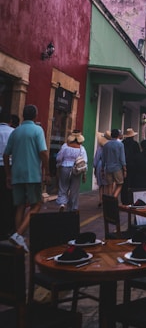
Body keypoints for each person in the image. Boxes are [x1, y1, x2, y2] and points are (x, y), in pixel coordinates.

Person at [3, 104, 50, 252]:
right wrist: (47, 171)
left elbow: (5, 155)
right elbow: (43, 152)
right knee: (36, 205)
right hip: (32, 175)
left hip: (17, 174)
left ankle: (18, 241)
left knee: (20, 206)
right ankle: (18, 234)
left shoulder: (16, 132)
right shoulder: (37, 130)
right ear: (35, 115)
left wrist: (8, 173)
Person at [55, 130, 87, 212]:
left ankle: (62, 204)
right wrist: (84, 173)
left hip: (65, 168)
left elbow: (59, 158)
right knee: (74, 190)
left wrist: (58, 166)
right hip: (76, 170)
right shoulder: (81, 148)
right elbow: (84, 161)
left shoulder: (65, 146)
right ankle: (73, 207)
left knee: (63, 187)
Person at [0, 110, 15, 239]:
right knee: (8, 198)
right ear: (10, 121)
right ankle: (7, 228)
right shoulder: (13, 132)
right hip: (8, 167)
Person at [101, 128, 126, 200]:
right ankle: (114, 198)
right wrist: (125, 169)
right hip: (117, 168)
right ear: (118, 135)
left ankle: (109, 200)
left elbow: (103, 158)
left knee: (109, 185)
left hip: (108, 168)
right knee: (120, 184)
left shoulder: (106, 145)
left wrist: (102, 169)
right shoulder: (120, 144)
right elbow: (122, 158)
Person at [121, 128, 140, 204]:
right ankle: (131, 199)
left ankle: (124, 200)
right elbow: (138, 155)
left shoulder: (122, 143)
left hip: (124, 165)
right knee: (132, 183)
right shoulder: (135, 144)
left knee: (124, 184)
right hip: (133, 166)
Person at [93, 131, 110, 207]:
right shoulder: (109, 148)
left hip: (100, 165)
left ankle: (100, 199)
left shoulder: (100, 148)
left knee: (100, 185)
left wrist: (95, 167)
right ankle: (106, 200)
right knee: (106, 185)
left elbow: (96, 159)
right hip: (108, 165)